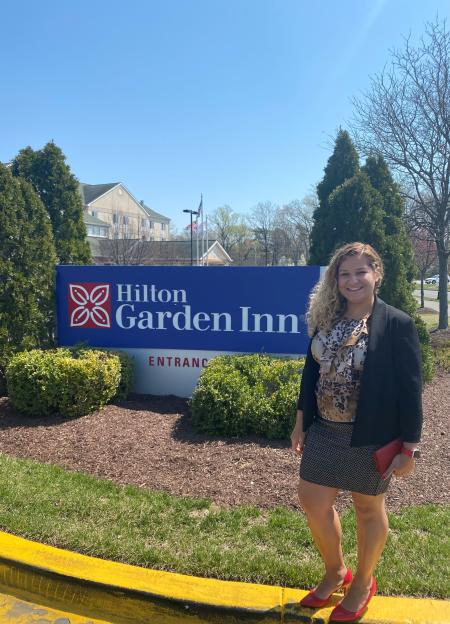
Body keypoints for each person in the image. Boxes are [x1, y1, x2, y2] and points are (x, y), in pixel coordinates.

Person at [291, 242, 422, 622]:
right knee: (313, 501)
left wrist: (409, 449)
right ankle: (336, 571)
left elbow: (410, 389)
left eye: (360, 272)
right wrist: (301, 421)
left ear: (376, 274)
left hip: (372, 436)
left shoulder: (396, 323)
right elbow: (311, 374)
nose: (352, 280)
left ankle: (363, 582)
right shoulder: (326, 318)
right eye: (344, 274)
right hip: (325, 432)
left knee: (368, 508)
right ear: (336, 280)